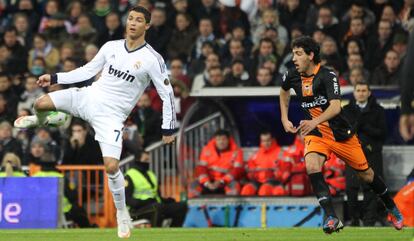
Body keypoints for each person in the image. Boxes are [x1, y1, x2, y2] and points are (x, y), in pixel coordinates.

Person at [14, 6, 176, 238]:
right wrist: (55, 77)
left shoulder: (152, 59)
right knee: (40, 103)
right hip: (88, 97)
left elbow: (167, 94)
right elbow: (88, 70)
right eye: (130, 18)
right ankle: (45, 121)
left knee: (111, 167)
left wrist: (169, 126)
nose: (132, 23)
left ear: (146, 26)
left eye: (138, 20)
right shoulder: (111, 47)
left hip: (111, 116)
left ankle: (122, 214)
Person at [279, 36, 403, 234]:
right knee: (311, 166)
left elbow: (336, 107)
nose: (294, 58)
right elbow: (284, 91)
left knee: (367, 175)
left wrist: (313, 121)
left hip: (340, 134)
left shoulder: (328, 76)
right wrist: (285, 119)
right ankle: (331, 217)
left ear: (311, 56)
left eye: (298, 54)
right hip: (316, 134)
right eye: (293, 54)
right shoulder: (292, 76)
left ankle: (392, 207)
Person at [342, 81, 388, 226]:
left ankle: (369, 221)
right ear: (354, 93)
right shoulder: (346, 110)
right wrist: (357, 125)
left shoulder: (378, 110)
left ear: (369, 93)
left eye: (364, 90)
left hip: (372, 154)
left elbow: (382, 133)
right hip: (352, 154)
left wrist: (364, 126)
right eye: (358, 90)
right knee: (351, 188)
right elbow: (343, 132)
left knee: (371, 189)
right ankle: (354, 220)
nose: (361, 93)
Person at [125, 152, 187, 227]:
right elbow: (127, 200)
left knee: (181, 206)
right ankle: (156, 233)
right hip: (136, 210)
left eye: (148, 159)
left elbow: (157, 196)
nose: (147, 162)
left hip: (154, 205)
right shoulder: (129, 175)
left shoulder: (151, 174)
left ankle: (173, 232)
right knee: (157, 207)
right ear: (138, 160)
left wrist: (167, 201)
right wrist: (145, 202)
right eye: (145, 159)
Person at [188, 129, 244, 198]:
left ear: (228, 140)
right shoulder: (206, 149)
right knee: (193, 186)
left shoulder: (237, 151)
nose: (221, 142)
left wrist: (222, 181)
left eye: (223, 139)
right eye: (218, 139)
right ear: (215, 140)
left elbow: (237, 170)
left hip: (226, 181)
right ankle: (193, 208)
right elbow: (201, 168)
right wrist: (206, 182)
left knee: (235, 187)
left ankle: (229, 207)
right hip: (209, 180)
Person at [241, 131, 284, 196]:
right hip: (258, 181)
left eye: (268, 140)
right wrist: (251, 173)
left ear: (272, 140)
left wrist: (278, 173)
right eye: (263, 141)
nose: (266, 143)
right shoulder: (256, 154)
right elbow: (250, 171)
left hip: (274, 181)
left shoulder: (281, 153)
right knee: (247, 189)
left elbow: (285, 171)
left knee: (265, 189)